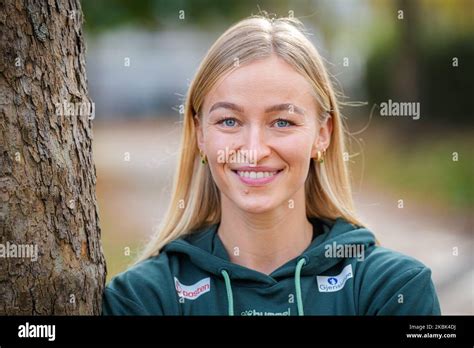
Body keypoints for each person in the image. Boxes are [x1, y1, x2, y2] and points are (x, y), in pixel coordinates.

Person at [102, 15, 441, 315]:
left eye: (282, 122)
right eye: (230, 121)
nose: (253, 150)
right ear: (199, 134)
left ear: (322, 135)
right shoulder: (143, 298)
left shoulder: (393, 289)